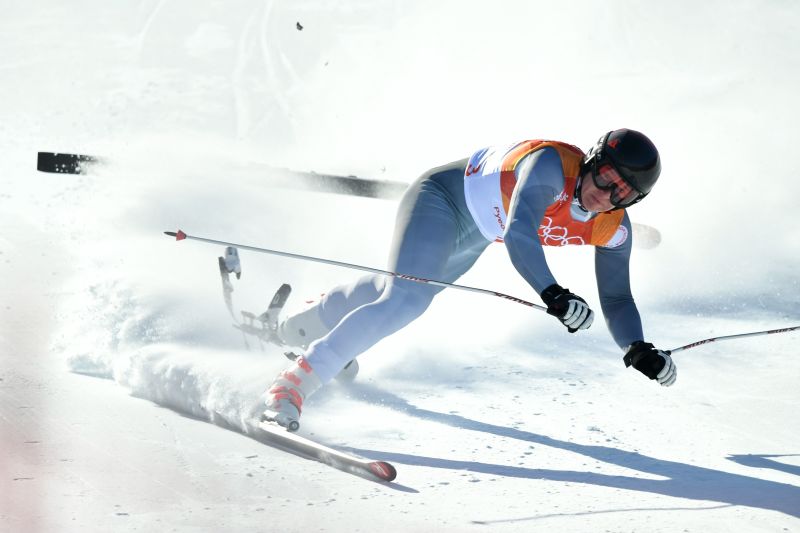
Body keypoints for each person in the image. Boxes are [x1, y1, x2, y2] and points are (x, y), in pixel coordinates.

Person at [263, 129, 677, 431]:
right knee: (408, 298)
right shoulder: (551, 166)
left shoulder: (612, 228)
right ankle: (295, 383)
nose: (605, 195)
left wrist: (639, 349)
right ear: (592, 161)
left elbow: (618, 300)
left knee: (395, 290)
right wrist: (554, 294)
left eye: (622, 194)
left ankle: (301, 325)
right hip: (441, 198)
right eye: (605, 178)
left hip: (478, 231)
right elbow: (519, 232)